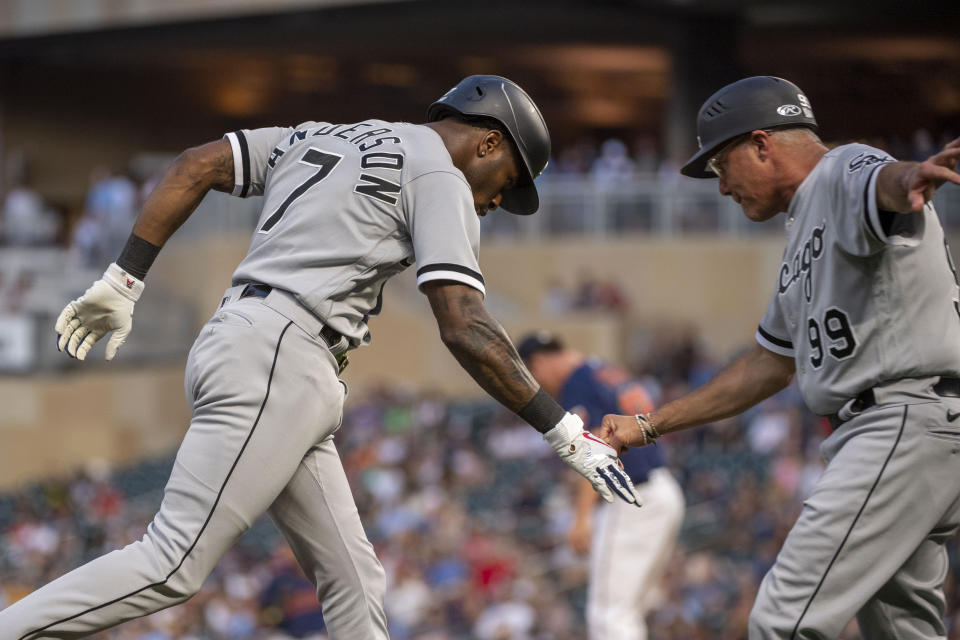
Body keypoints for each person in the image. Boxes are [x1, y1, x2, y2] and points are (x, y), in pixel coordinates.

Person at [1, 74, 641, 639]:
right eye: (509, 181)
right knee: (172, 563)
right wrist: (564, 432)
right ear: (488, 142)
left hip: (256, 344)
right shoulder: (440, 173)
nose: (500, 200)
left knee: (355, 581)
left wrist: (123, 278)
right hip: (282, 356)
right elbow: (464, 325)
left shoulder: (319, 133)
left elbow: (197, 163)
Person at [601, 75, 960, 639]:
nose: (721, 188)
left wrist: (908, 177)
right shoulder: (802, 232)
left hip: (901, 420)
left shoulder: (840, 169)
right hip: (899, 430)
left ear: (762, 144)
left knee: (781, 621)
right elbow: (767, 364)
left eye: (722, 166)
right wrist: (650, 425)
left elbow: (882, 183)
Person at [516, 331, 684, 640]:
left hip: (633, 498)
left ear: (537, 363)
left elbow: (595, 449)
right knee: (627, 611)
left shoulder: (577, 383)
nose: (538, 384)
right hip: (661, 490)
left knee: (609, 616)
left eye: (532, 374)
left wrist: (582, 518)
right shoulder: (602, 370)